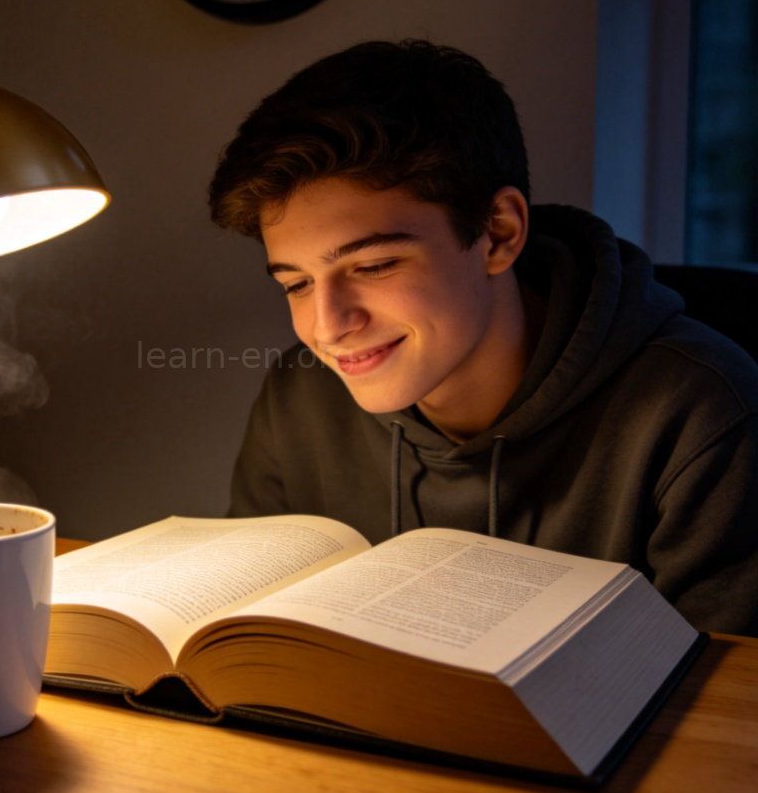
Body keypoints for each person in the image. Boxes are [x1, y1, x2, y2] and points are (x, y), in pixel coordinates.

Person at [208, 39, 758, 636]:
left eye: (372, 267)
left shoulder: (704, 413)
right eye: (296, 284)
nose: (328, 326)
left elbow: (724, 714)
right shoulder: (299, 397)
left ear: (498, 235)